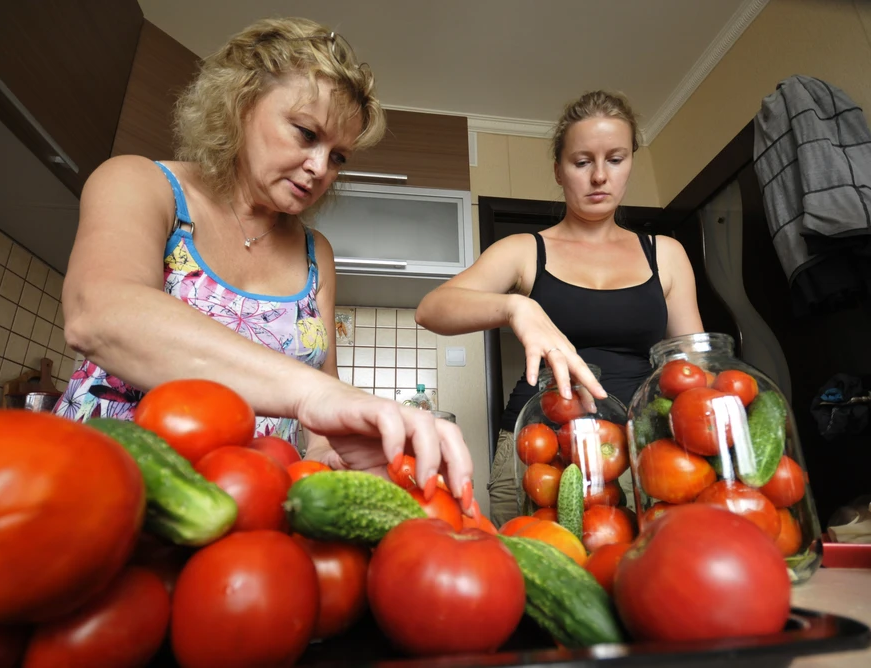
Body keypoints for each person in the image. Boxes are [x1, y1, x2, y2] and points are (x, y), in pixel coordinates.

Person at [52, 17, 474, 510]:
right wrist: (311, 394)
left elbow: (320, 419)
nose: (320, 169)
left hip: (247, 506)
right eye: (305, 133)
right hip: (99, 489)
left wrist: (332, 456)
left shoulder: (317, 254)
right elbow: (99, 314)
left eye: (338, 157)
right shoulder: (142, 184)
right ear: (240, 104)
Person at [415, 90, 704, 525]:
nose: (600, 176)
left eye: (616, 158)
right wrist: (515, 308)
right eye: (582, 161)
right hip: (537, 449)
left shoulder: (666, 254)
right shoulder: (523, 250)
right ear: (559, 170)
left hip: (634, 450)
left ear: (631, 163)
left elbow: (691, 368)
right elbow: (432, 309)